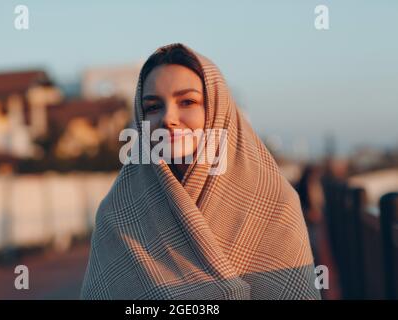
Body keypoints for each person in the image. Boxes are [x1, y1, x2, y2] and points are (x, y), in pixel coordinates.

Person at [80, 43, 320, 300]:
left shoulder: (273, 203)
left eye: (187, 101)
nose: (168, 118)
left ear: (218, 110)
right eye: (152, 107)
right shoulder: (117, 212)